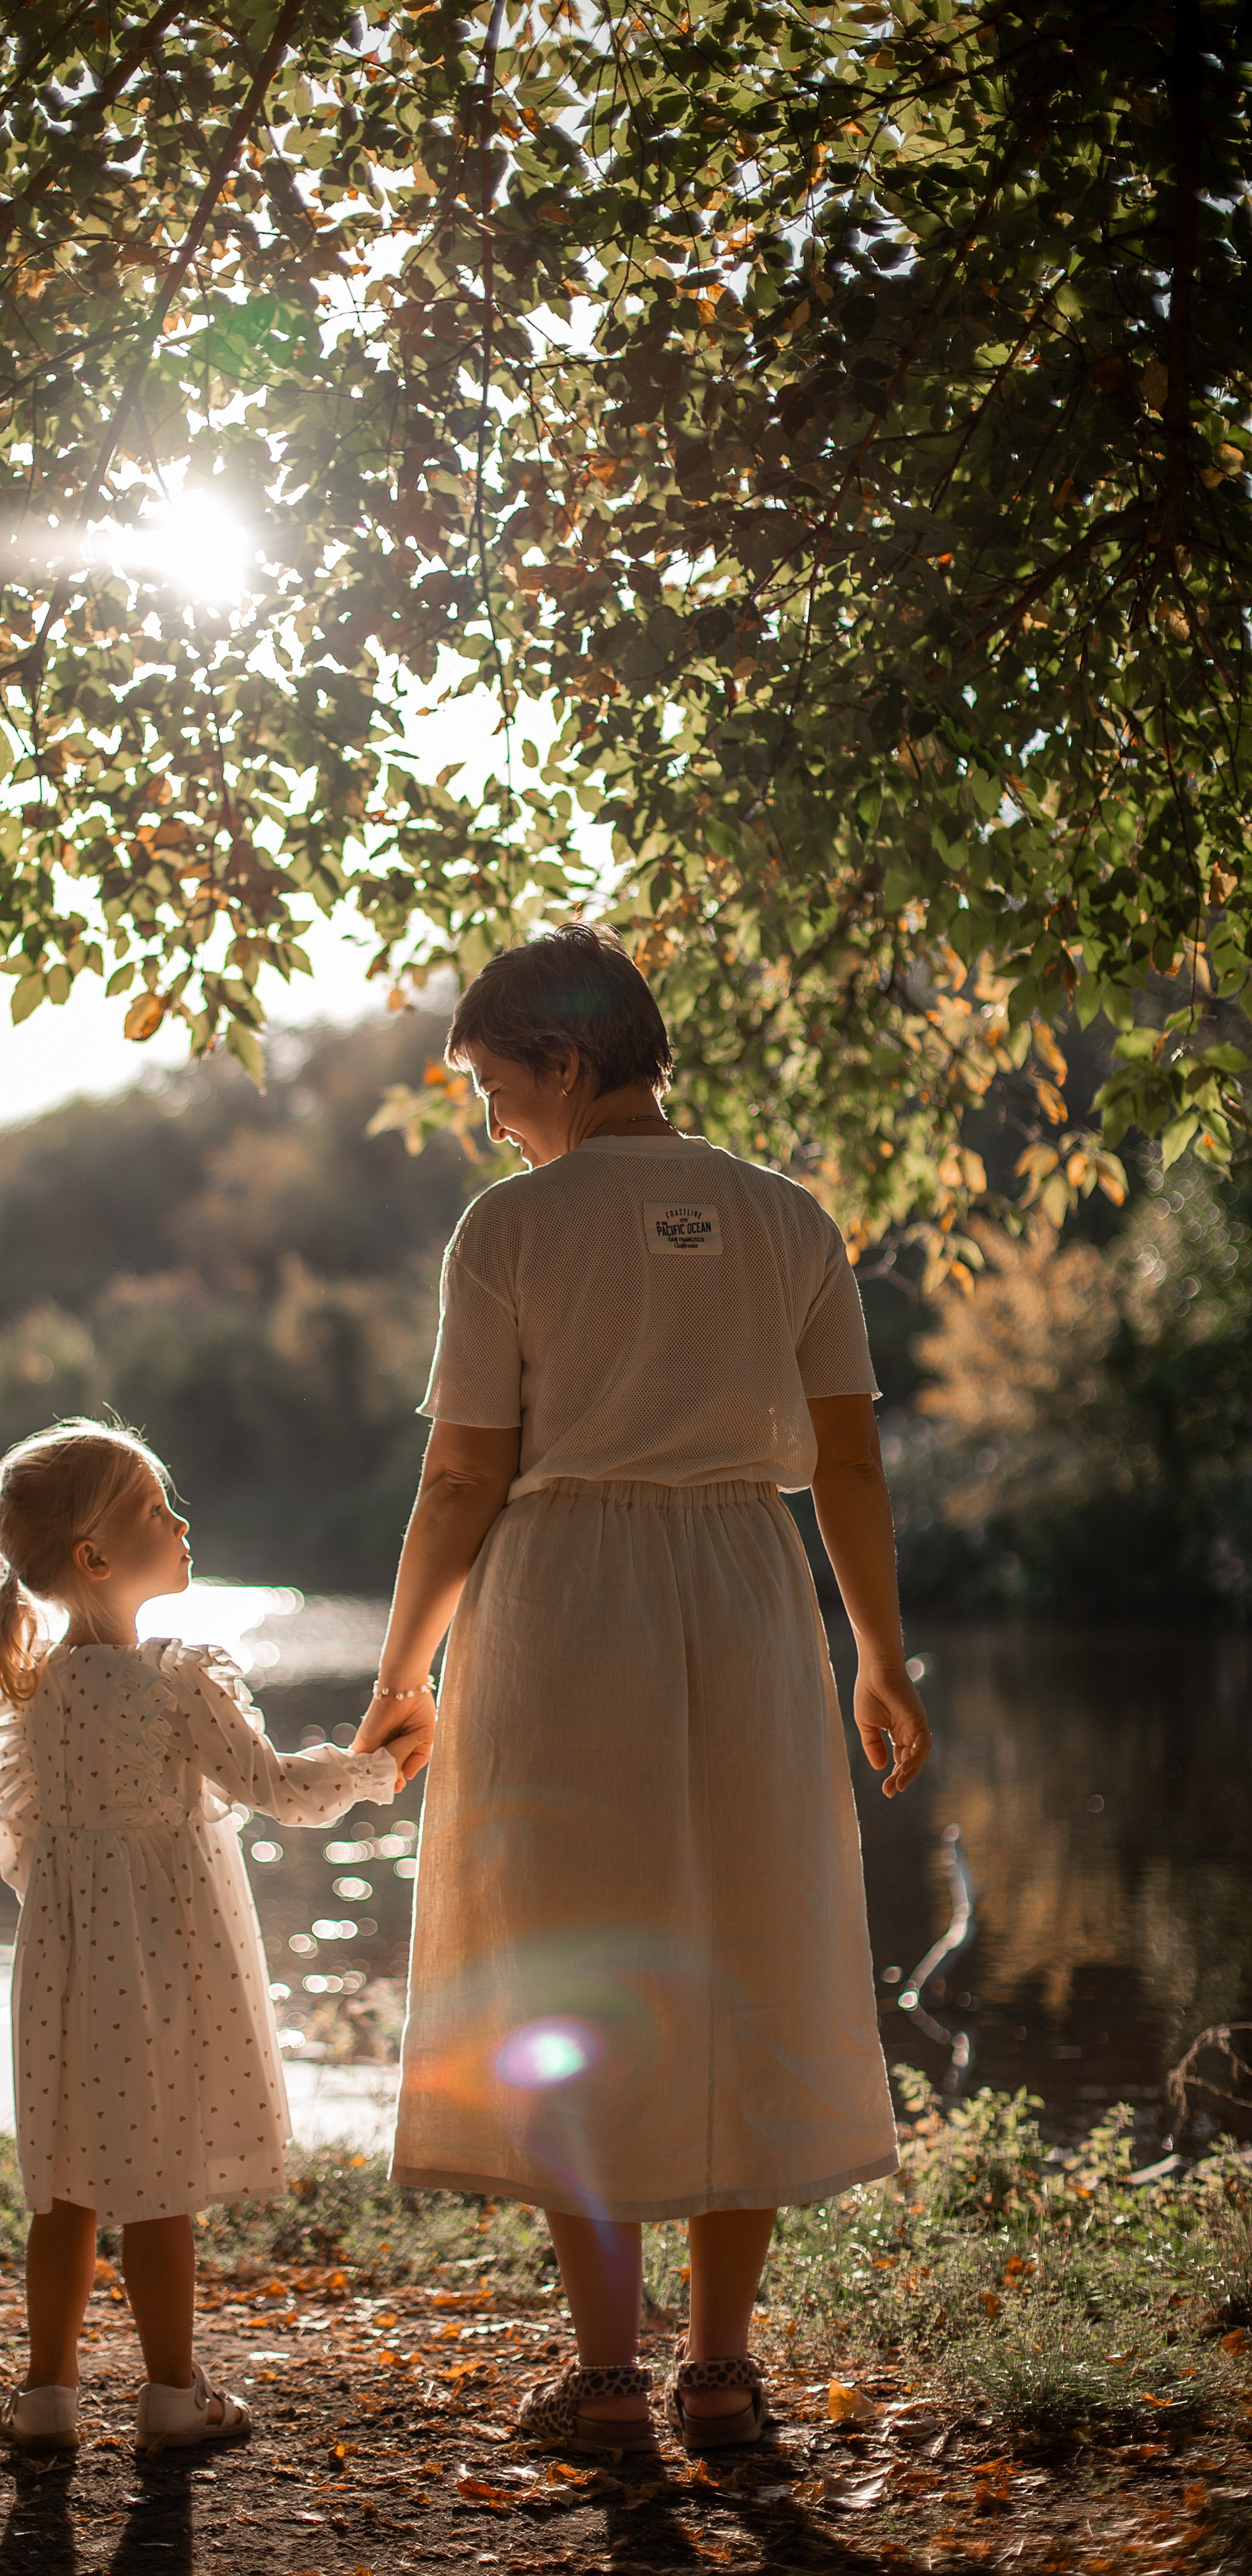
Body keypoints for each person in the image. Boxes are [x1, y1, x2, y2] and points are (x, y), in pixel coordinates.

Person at [354, 924, 931, 2457]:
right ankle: (722, 2372)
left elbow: (464, 1469)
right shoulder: (789, 1219)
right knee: (746, 1948)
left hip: (562, 1609)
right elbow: (850, 1461)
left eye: (492, 1082)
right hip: (748, 1596)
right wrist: (876, 1652)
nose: (489, 1119)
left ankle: (606, 2378)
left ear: (564, 1061)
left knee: (570, 1964)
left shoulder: (510, 1231)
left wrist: (403, 1666)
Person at [0, 1418, 423, 2455]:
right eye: (154, 1511)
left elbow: (24, 1845)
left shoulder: (32, 1690)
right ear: (96, 1557)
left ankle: (46, 2397)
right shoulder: (176, 1679)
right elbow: (274, 1792)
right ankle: (173, 2396)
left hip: (63, 1961)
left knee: (71, 2184)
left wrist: (75, 1922)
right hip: (165, 1957)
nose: (181, 1522)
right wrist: (379, 1769)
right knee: (158, 2181)